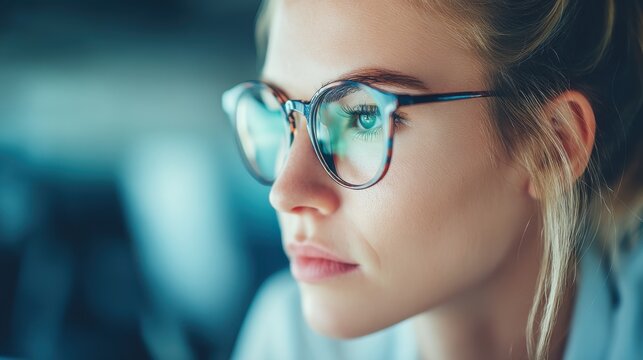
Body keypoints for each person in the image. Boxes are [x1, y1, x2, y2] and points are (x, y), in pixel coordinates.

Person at [222, 0, 643, 359]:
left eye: (363, 117)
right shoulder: (288, 341)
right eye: (282, 114)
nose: (284, 191)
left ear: (552, 145)